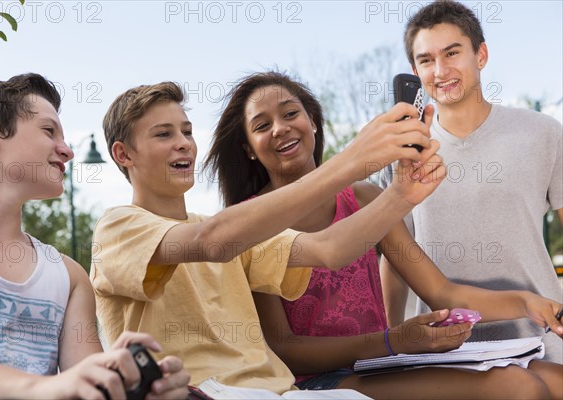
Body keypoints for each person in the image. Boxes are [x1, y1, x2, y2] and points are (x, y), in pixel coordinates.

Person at [204, 70, 563, 399]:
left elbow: (441, 291)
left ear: (312, 121)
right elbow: (284, 346)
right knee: (518, 387)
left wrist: (526, 303)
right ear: (249, 149)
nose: (280, 128)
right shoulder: (250, 222)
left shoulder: (362, 197)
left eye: (290, 113)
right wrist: (392, 341)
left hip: (386, 362)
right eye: (262, 125)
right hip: (316, 378)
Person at [90, 80, 446, 393]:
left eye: (186, 131)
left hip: (280, 392)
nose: (184, 143)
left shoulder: (228, 230)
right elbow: (208, 242)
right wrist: (352, 160)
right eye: (164, 134)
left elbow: (329, 249)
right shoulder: (119, 228)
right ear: (123, 155)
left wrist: (401, 195)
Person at [0, 73, 189, 399]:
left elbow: (86, 388)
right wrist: (44, 387)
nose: (66, 150)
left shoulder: (69, 277)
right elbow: (57, 388)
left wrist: (129, 385)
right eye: (48, 131)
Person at [379, 0, 563, 364]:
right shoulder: (402, 152)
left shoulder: (543, 133)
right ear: (415, 70)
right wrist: (390, 339)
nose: (441, 70)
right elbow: (396, 257)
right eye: (426, 60)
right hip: (442, 348)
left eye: (452, 53)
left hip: (541, 340)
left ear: (481, 55)